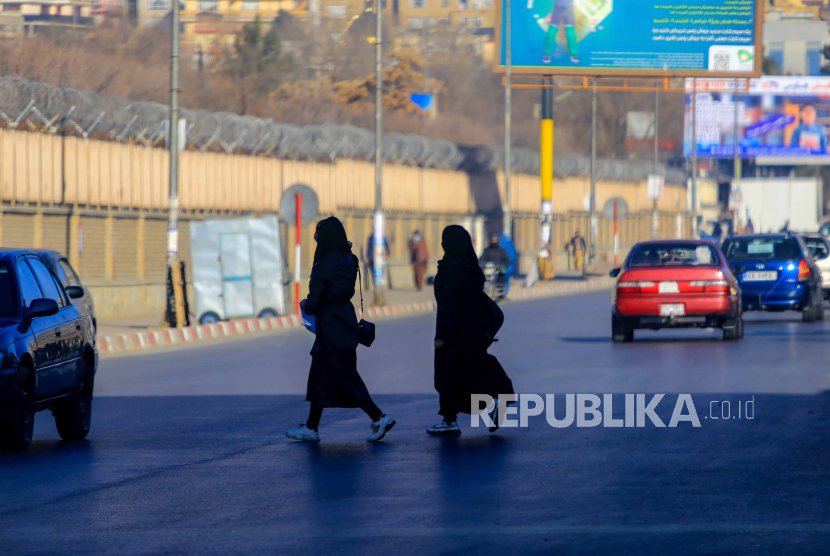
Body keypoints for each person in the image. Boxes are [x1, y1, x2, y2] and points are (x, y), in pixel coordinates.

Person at [287, 217, 396, 443]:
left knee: (343, 375)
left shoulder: (323, 265)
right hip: (345, 319)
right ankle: (311, 427)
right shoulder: (350, 260)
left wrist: (307, 304)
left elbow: (315, 299)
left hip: (329, 325)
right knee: (321, 374)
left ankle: (379, 417)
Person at [427, 226, 515, 437]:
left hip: (454, 334)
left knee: (447, 376)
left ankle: (450, 420)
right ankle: (493, 403)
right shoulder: (470, 266)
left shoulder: (451, 268)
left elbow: (448, 306)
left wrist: (441, 336)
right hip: (472, 333)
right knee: (471, 372)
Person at [500, 233, 517, 299]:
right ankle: (505, 293)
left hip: (500, 265)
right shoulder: (511, 244)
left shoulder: (500, 244)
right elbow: (514, 255)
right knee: (506, 280)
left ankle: (501, 292)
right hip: (509, 265)